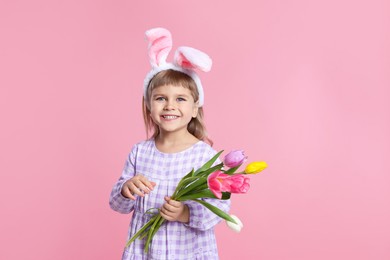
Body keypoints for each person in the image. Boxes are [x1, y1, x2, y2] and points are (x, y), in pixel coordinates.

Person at [109, 28, 230, 260]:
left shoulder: (204, 156)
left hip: (187, 252)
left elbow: (220, 208)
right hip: (144, 252)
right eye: (161, 98)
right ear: (149, 106)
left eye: (180, 99)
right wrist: (126, 190)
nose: (169, 106)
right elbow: (117, 204)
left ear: (195, 108)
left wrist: (186, 213)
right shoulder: (140, 152)